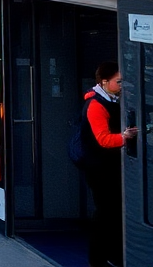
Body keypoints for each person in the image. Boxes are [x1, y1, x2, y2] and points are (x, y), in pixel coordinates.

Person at [79, 61, 138, 267]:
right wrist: (124, 137)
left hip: (108, 167)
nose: (122, 85)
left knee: (112, 213)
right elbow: (103, 139)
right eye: (119, 81)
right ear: (104, 82)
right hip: (100, 169)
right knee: (105, 213)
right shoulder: (96, 105)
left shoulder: (111, 100)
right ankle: (98, 259)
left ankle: (113, 254)